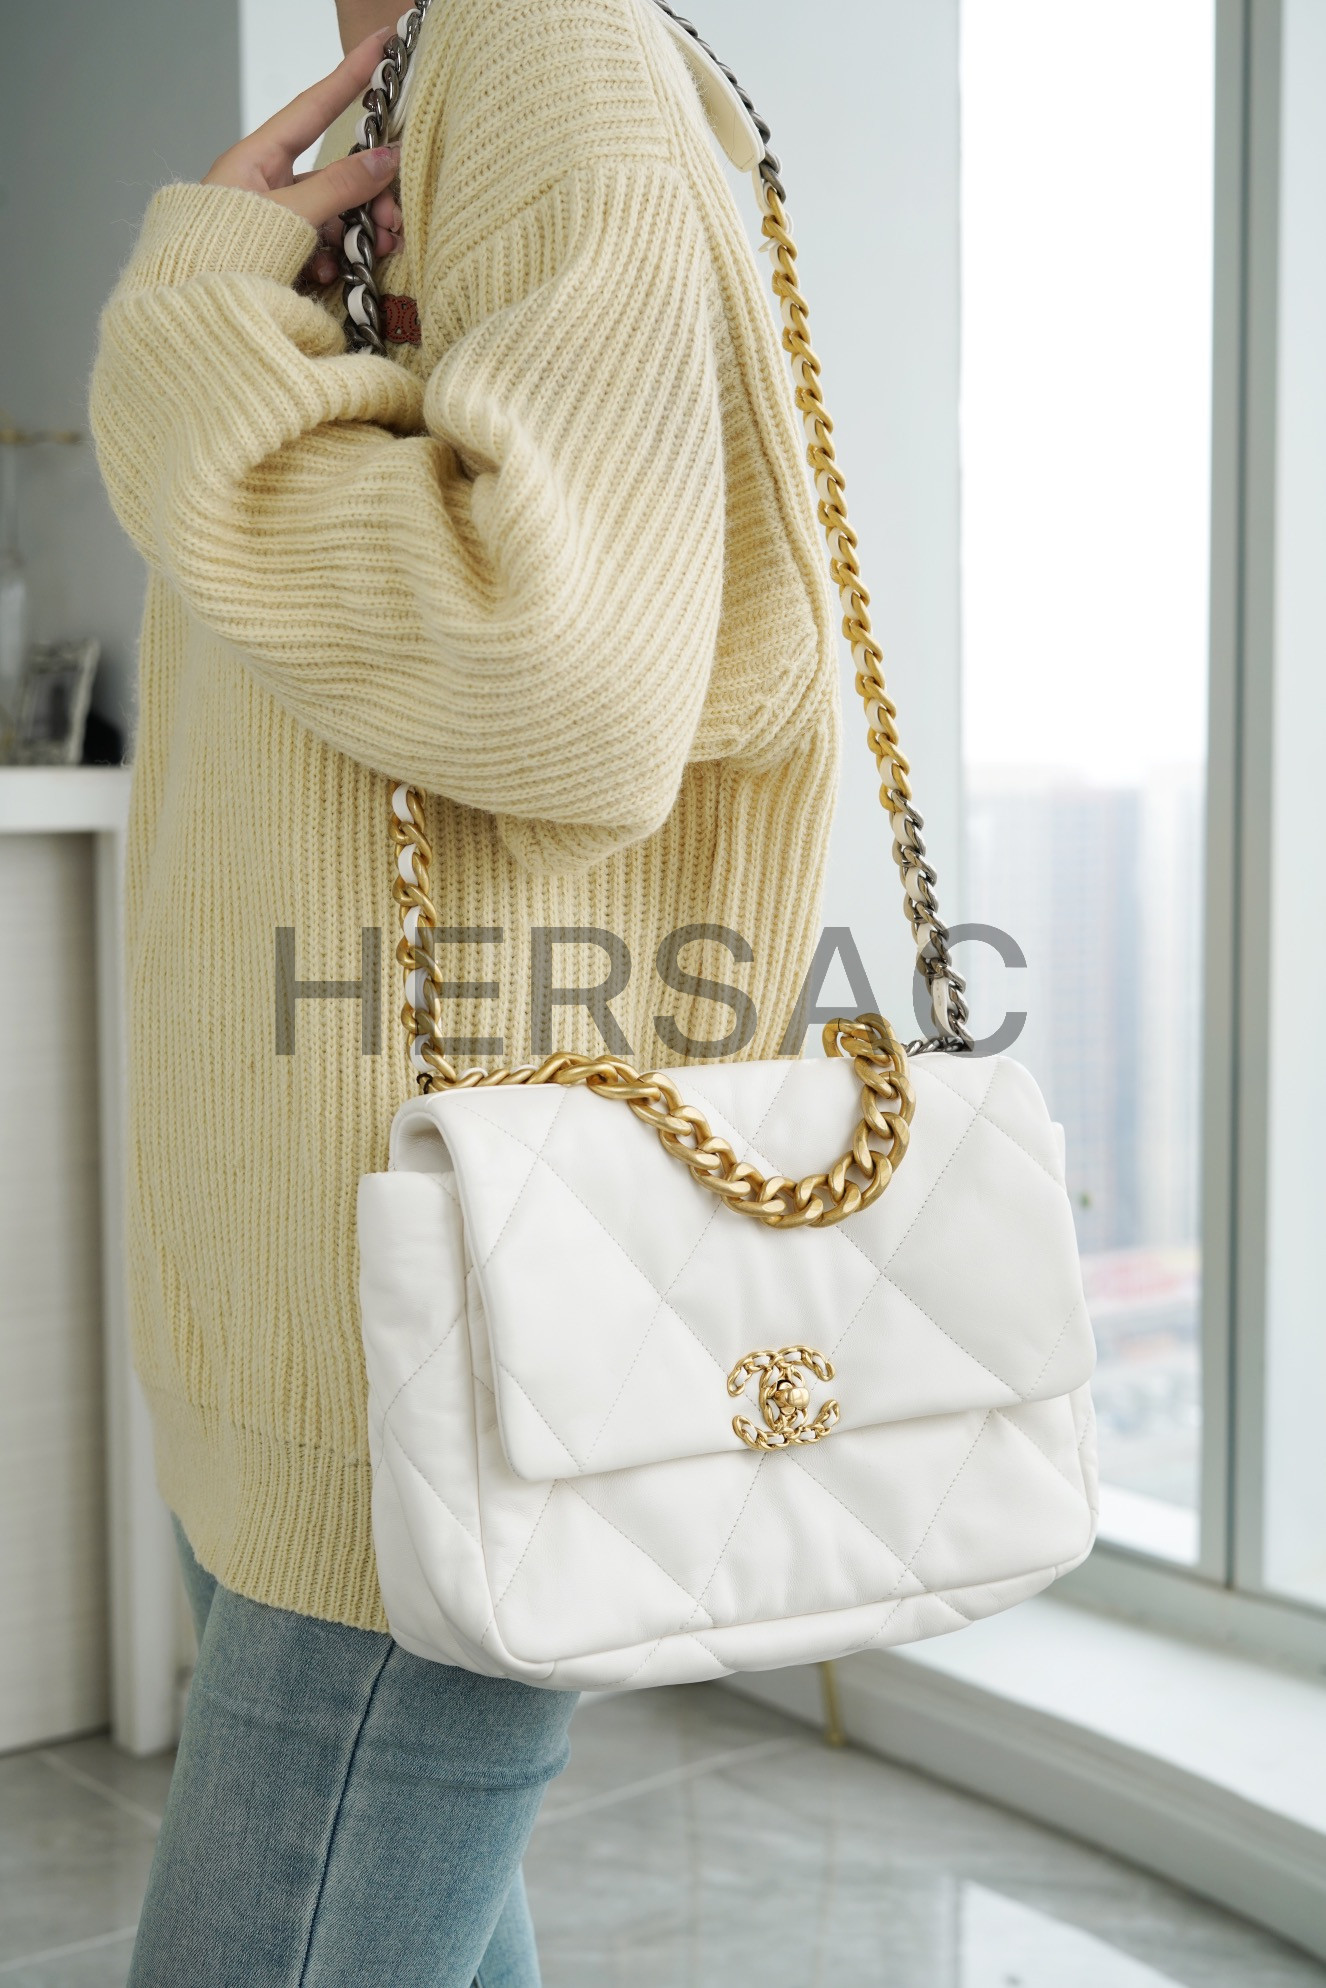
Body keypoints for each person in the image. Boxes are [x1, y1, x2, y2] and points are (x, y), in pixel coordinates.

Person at [89, 1, 840, 1980]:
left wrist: (194, 334)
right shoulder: (458, 55)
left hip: (446, 1290)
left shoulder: (537, 41)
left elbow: (563, 679)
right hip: (333, 1257)